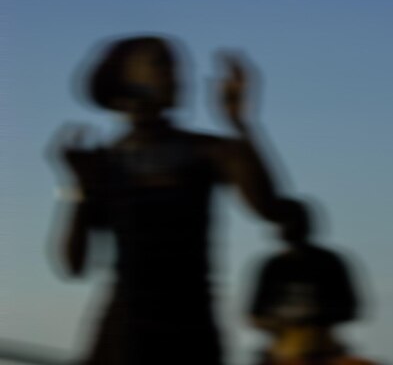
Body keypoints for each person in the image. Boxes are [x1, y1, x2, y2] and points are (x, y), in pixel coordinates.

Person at [49, 36, 286, 365]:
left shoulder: (208, 151)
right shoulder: (105, 163)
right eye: (161, 65)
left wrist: (241, 124)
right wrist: (78, 188)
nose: (177, 75)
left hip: (191, 332)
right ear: (126, 77)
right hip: (125, 336)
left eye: (179, 67)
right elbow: (73, 265)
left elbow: (271, 209)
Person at [247, 198, 376, 365]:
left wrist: (310, 321)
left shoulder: (329, 262)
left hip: (322, 343)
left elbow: (351, 308)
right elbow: (255, 315)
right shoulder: (273, 266)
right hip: (285, 345)